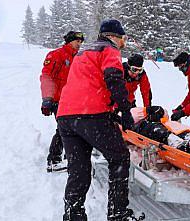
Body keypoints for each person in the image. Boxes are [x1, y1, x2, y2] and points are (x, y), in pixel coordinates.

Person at [56, 19, 143, 221]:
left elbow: (89, 82)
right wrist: (126, 111)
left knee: (79, 169)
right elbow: (113, 78)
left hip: (66, 117)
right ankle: (118, 213)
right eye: (123, 38)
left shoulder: (83, 52)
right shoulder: (109, 50)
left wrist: (110, 110)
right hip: (90, 114)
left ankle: (73, 214)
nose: (123, 43)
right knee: (120, 157)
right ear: (114, 36)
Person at [40, 31, 84, 172]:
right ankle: (53, 160)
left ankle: (69, 157)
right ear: (69, 41)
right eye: (77, 41)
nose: (80, 44)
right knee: (64, 129)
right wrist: (47, 99)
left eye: (81, 41)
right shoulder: (56, 55)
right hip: (59, 101)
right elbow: (47, 77)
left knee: (74, 129)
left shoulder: (78, 58)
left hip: (73, 101)